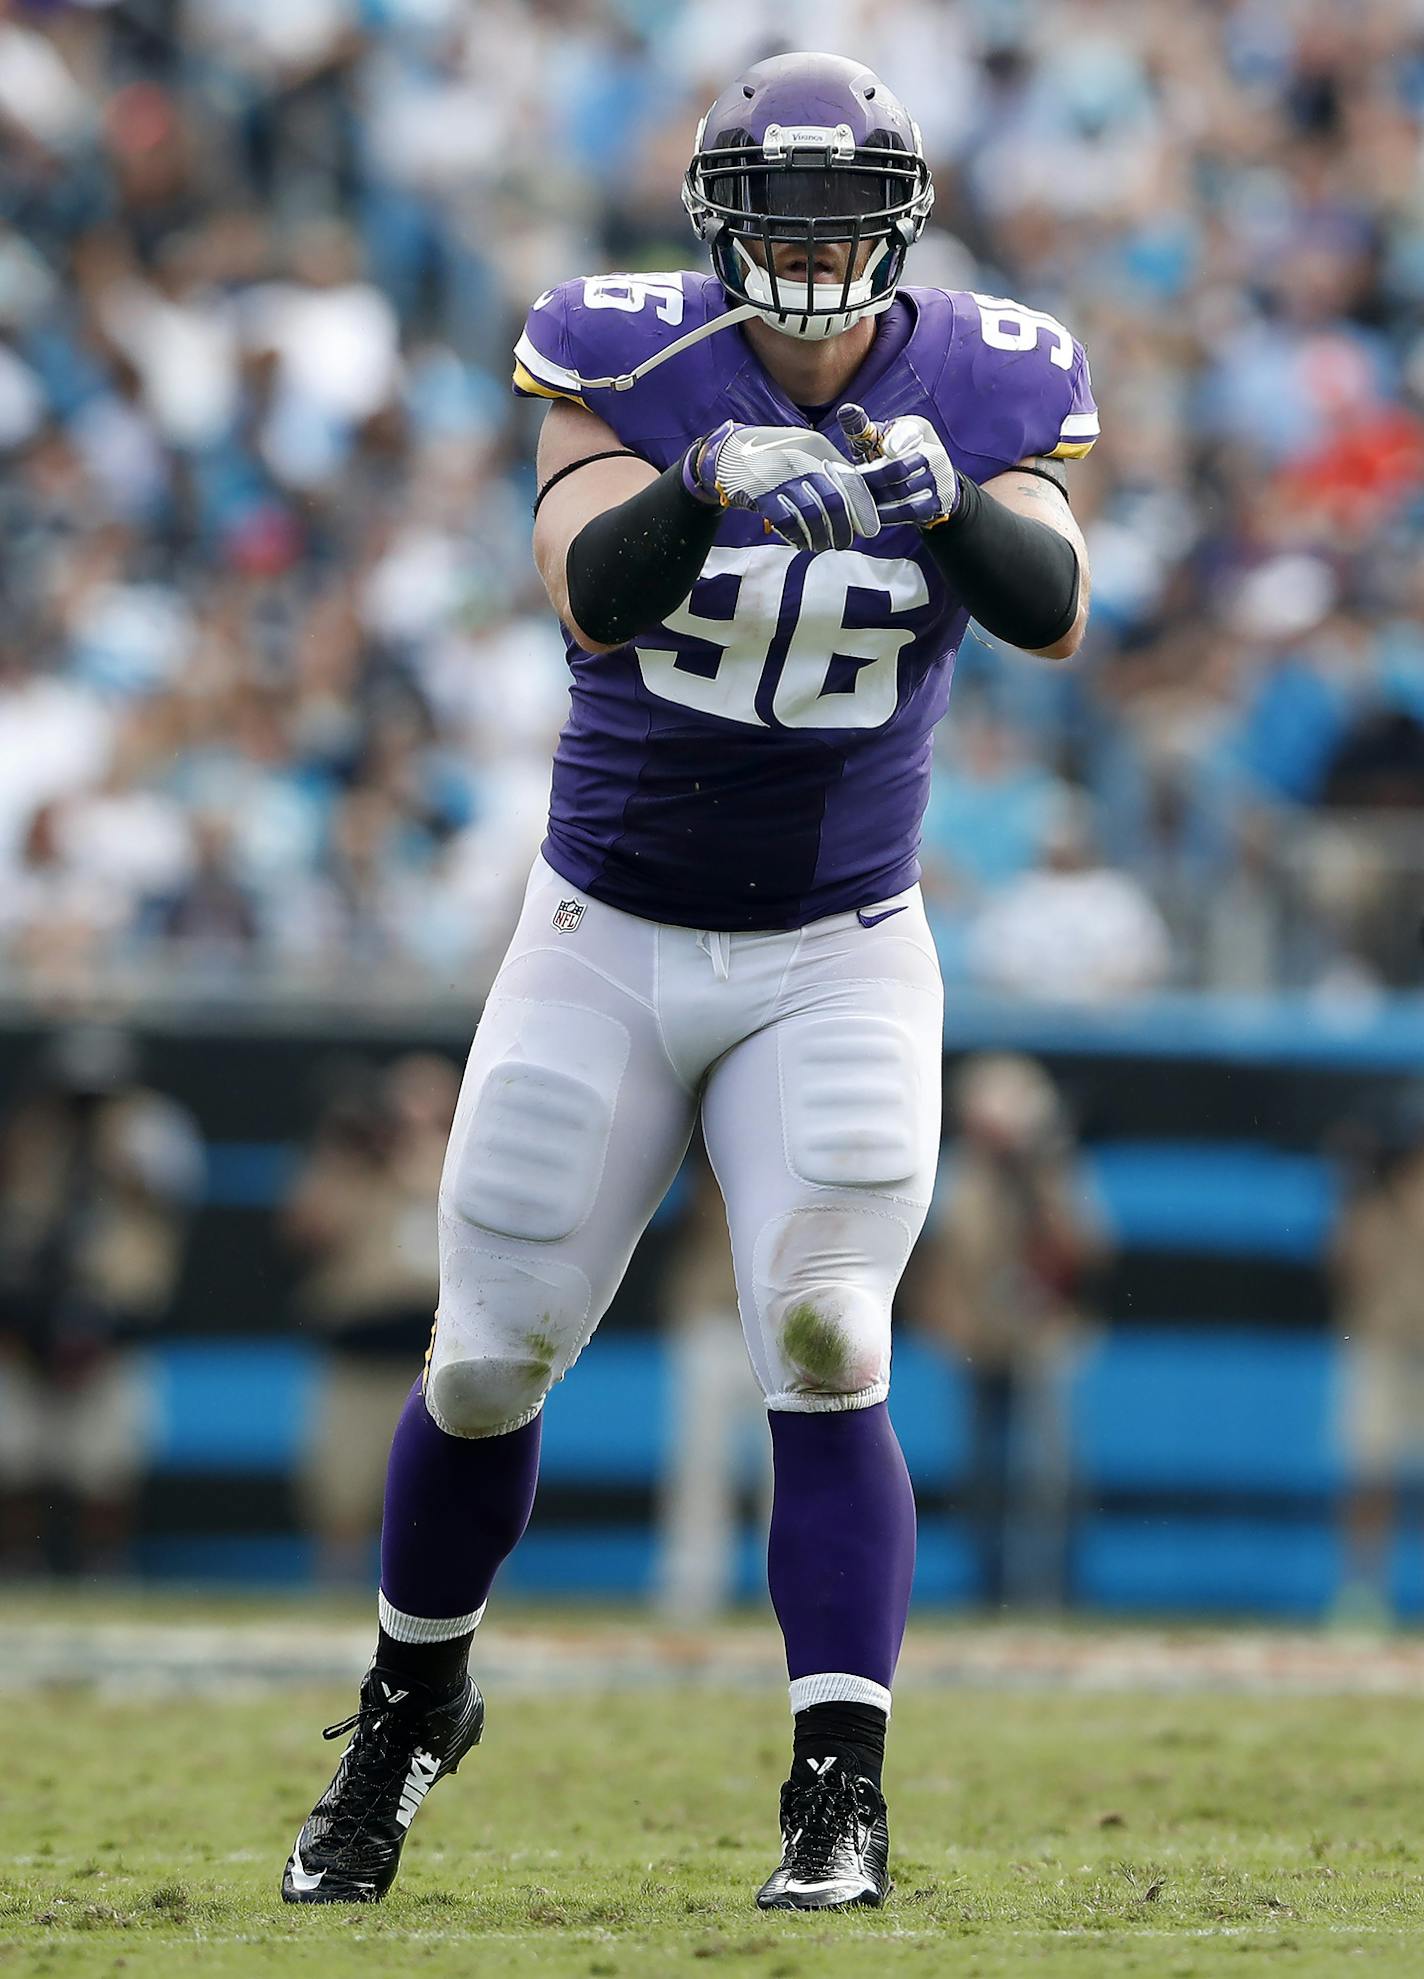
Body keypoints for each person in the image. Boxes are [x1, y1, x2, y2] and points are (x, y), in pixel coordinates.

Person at [284, 49, 1097, 1913]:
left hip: (838, 944)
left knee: (826, 1336)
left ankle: (837, 1783)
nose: (810, 245)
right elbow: (589, 584)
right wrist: (706, 481)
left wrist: (942, 494)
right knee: (485, 1355)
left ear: (897, 219)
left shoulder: (993, 372)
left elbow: (1048, 600)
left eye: (841, 209)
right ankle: (410, 1705)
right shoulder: (622, 355)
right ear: (716, 220)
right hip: (604, 932)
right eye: (779, 207)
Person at [905, 1054, 1108, 1609]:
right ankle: (989, 1589)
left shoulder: (1057, 1172)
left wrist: (1040, 1183)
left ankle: (1057, 1592)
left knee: (1050, 1478)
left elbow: (1088, 1250)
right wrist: (949, 1326)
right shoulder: (959, 1174)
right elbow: (941, 1260)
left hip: (1045, 1338)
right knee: (985, 1474)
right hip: (981, 1342)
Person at [0, 1026, 203, 1574]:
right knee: (16, 1456)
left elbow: (174, 1197)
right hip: (24, 1326)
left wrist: (117, 1150)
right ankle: (19, 1565)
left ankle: (103, 1566)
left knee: (105, 1463)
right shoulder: (31, 1134)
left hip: (115, 1325)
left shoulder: (151, 1130)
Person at [285, 1054, 458, 1583]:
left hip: (440, 1368)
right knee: (343, 1498)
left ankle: (461, 1621)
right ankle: (334, 1607)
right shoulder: (350, 1168)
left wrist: (421, 1155)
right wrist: (344, 1157)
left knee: (453, 1504)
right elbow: (304, 1231)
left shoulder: (468, 1165)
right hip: (358, 1358)